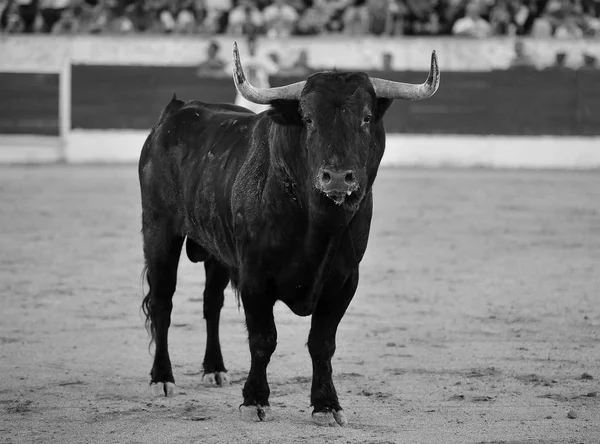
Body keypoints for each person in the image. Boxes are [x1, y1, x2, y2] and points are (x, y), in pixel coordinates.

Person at [234, 35, 279, 114]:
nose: (252, 46)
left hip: (261, 95)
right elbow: (226, 71)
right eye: (250, 44)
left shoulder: (263, 58)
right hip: (245, 96)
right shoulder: (240, 58)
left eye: (253, 44)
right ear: (247, 45)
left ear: (256, 45)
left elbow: (275, 70)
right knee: (241, 119)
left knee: (264, 121)